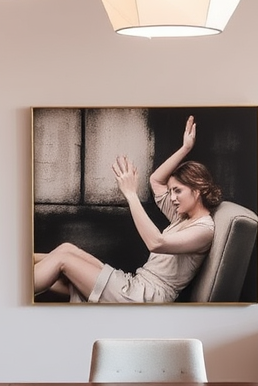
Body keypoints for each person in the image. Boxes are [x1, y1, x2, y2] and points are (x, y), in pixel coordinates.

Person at [33, 115, 221, 304]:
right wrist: (185, 148)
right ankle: (15, 270)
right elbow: (156, 180)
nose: (172, 198)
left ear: (197, 191)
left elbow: (156, 242)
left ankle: (9, 292)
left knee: (63, 260)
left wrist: (131, 194)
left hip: (147, 297)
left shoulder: (204, 229)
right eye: (171, 191)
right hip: (135, 284)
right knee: (67, 249)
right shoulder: (182, 217)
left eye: (178, 191)